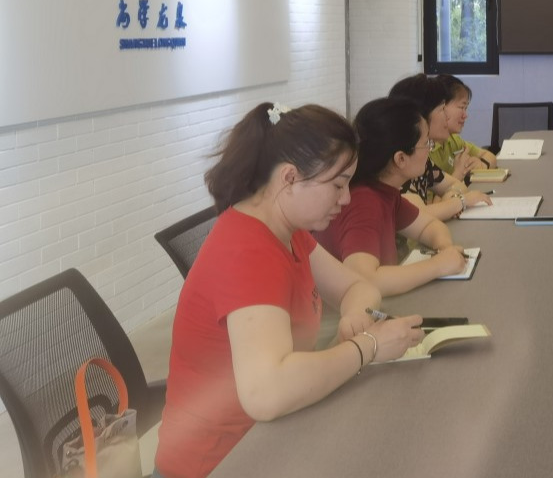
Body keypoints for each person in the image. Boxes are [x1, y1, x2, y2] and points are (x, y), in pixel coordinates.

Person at [153, 103, 426, 478]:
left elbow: (357, 287)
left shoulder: (288, 230)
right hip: (220, 462)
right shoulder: (248, 251)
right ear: (289, 178)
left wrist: (355, 315)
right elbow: (268, 393)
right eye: (337, 185)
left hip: (270, 437)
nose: (346, 199)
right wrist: (369, 347)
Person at [314, 97, 469, 288]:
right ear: (401, 158)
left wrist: (445, 248)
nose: (429, 150)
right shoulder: (363, 202)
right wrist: (438, 266)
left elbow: (429, 226)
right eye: (426, 143)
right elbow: (365, 279)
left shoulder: (385, 192)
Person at [388, 74, 491, 221]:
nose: (446, 117)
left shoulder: (422, 158)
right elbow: (419, 216)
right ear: (420, 116)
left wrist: (450, 200)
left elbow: (456, 185)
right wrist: (461, 201)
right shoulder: (400, 162)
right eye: (442, 109)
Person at [430, 74, 497, 178]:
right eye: (461, 107)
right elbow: (440, 188)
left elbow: (490, 156)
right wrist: (459, 172)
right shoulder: (424, 148)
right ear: (441, 106)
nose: (465, 115)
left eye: (466, 108)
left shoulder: (453, 140)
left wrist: (481, 165)